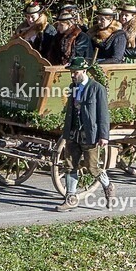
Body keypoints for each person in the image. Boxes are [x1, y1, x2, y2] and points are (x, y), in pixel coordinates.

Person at [55, 57, 114, 211]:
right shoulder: (72, 87)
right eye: (72, 72)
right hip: (73, 132)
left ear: (84, 71)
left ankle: (108, 187)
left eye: (76, 72)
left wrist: (104, 136)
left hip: (90, 134)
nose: (73, 75)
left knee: (92, 167)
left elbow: (103, 114)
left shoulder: (97, 88)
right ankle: (71, 198)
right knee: (69, 165)